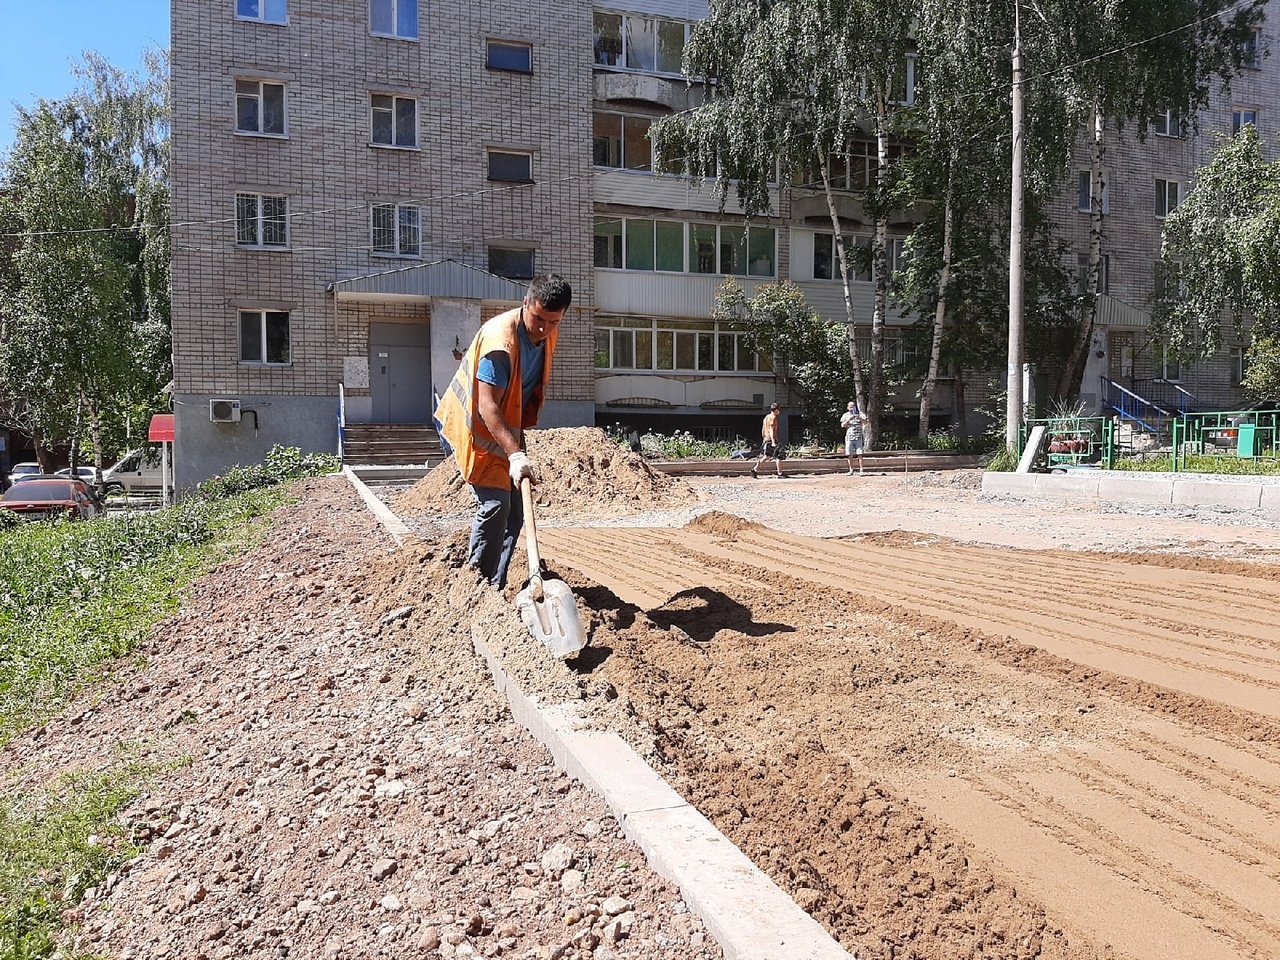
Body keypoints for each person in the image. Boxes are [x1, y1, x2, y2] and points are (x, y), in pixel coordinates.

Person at [434, 274, 572, 589]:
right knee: (495, 506)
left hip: (505, 427)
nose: (543, 328)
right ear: (525, 303)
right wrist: (515, 453)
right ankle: (477, 590)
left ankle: (495, 583)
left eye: (553, 322)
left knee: (515, 512)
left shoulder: (547, 332)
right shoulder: (501, 342)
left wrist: (516, 447)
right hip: (475, 428)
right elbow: (487, 406)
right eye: (538, 318)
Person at [751, 403, 784, 478]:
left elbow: (763, 429)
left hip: (766, 439)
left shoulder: (766, 417)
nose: (779, 411)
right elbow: (771, 430)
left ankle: (754, 469)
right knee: (779, 455)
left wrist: (764, 438)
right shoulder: (773, 418)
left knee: (767, 456)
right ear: (776, 410)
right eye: (779, 410)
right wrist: (773, 441)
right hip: (772, 440)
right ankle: (780, 473)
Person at [841, 401, 869, 475]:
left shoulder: (860, 414)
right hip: (849, 437)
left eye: (853, 406)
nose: (852, 408)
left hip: (858, 437)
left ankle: (861, 470)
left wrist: (859, 417)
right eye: (850, 406)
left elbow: (866, 422)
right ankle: (851, 470)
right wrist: (849, 419)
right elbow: (842, 425)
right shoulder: (845, 415)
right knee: (849, 454)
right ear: (848, 407)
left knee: (860, 454)